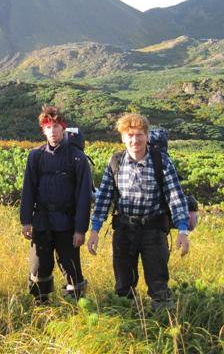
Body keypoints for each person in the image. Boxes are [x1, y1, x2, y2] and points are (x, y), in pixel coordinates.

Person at [87, 113, 190, 310]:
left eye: (140, 134)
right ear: (123, 137)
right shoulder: (116, 162)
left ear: (147, 136)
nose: (135, 140)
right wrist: (95, 230)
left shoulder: (161, 162)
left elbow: (175, 196)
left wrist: (183, 231)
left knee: (158, 282)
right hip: (124, 230)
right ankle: (128, 318)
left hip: (154, 230)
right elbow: (103, 199)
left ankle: (164, 319)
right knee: (123, 284)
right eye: (130, 135)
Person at [20, 105, 93, 304]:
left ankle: (77, 304)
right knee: (39, 265)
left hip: (67, 222)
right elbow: (28, 190)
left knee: (71, 266)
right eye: (48, 127)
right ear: (43, 130)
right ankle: (41, 303)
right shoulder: (35, 156)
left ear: (63, 128)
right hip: (42, 221)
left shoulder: (77, 158)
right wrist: (26, 221)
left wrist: (80, 229)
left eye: (56, 126)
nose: (52, 131)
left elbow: (83, 197)